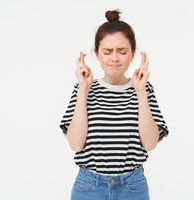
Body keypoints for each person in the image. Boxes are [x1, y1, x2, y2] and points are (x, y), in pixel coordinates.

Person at [59, 9, 169, 200]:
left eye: (122, 51)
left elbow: (150, 144)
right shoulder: (84, 88)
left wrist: (140, 91)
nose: (115, 58)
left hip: (132, 187)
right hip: (89, 187)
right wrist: (84, 89)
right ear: (97, 54)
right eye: (107, 51)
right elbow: (76, 144)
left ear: (133, 53)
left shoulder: (144, 88)